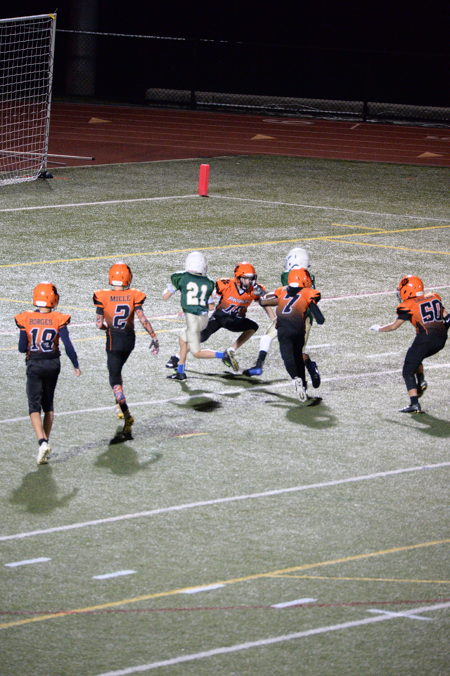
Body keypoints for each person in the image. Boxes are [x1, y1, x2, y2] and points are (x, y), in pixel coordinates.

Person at [15, 282, 81, 465]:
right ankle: (45, 443)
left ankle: (42, 442)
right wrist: (75, 364)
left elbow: (22, 348)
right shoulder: (58, 318)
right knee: (49, 407)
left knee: (34, 407)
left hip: (35, 363)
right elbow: (68, 345)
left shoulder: (25, 318)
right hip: (53, 364)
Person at [93, 262, 159, 439]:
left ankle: (126, 413)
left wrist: (107, 326)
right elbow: (143, 319)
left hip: (114, 342)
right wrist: (154, 336)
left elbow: (99, 324)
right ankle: (118, 405)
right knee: (118, 371)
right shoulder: (134, 295)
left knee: (114, 379)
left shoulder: (102, 296)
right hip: (130, 341)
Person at [370, 275, 449, 413]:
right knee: (416, 356)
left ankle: (414, 404)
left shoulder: (409, 305)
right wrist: (440, 331)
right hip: (441, 340)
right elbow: (448, 318)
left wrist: (379, 329)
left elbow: (394, 326)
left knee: (407, 371)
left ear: (407, 290)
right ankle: (421, 381)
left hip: (425, 340)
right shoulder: (433, 297)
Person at [243, 246, 320, 388]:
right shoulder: (308, 276)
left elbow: (283, 296)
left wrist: (263, 296)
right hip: (304, 317)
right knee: (295, 351)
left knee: (271, 340)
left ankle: (307, 367)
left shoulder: (288, 276)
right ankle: (309, 367)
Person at [192, 261, 275, 373]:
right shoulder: (226, 284)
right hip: (219, 317)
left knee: (253, 326)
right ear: (238, 277)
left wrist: (274, 319)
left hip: (235, 320)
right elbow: (208, 292)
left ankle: (231, 349)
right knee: (198, 338)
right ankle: (178, 357)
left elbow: (264, 303)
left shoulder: (255, 289)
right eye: (246, 278)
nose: (249, 281)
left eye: (251, 278)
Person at [163, 251, 233, 381]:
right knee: (185, 342)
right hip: (203, 319)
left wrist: (172, 288)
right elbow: (211, 307)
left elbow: (165, 296)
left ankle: (222, 355)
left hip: (193, 319)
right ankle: (180, 371)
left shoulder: (182, 278)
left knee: (194, 350)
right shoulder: (208, 282)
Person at [260, 267, 325, 404]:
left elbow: (266, 300)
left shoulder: (282, 289)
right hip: (300, 327)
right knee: (298, 355)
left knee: (288, 357)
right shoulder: (309, 292)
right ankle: (304, 381)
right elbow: (319, 318)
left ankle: (296, 378)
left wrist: (262, 297)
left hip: (284, 327)